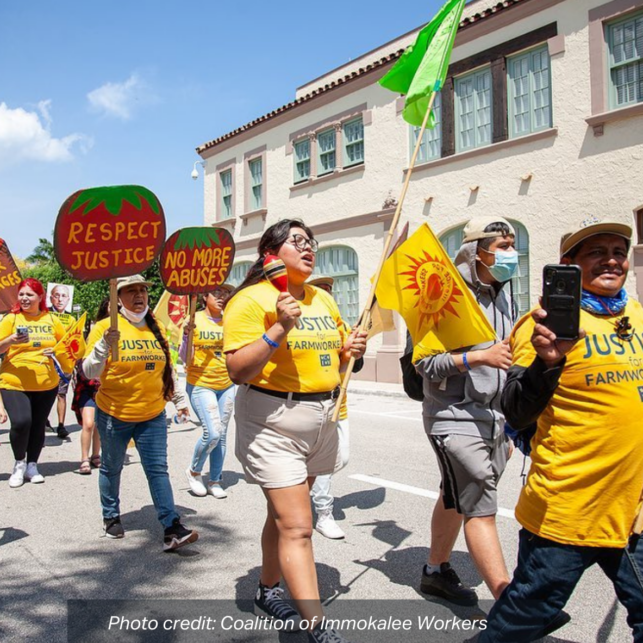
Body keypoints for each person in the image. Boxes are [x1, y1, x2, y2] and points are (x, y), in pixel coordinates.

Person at [480, 218, 643, 642]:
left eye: (618, 251)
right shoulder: (541, 327)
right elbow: (514, 411)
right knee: (519, 622)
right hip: (567, 511)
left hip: (632, 512)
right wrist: (547, 363)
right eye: (596, 252)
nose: (612, 259)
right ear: (568, 266)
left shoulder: (639, 316)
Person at [224, 219, 367, 643]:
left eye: (311, 242)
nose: (308, 248)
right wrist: (278, 328)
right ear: (271, 254)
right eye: (297, 241)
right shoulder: (251, 301)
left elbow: (337, 362)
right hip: (272, 422)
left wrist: (350, 353)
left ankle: (268, 591)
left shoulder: (322, 298)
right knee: (299, 525)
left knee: (283, 516)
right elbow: (236, 370)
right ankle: (317, 627)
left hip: (322, 418)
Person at [415, 217, 517, 606]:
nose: (510, 253)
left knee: (454, 493)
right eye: (502, 246)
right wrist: (478, 358)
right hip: (453, 415)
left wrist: (512, 422)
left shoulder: (504, 293)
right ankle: (509, 604)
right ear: (477, 252)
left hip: (495, 419)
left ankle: (434, 571)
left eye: (512, 245)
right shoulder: (442, 293)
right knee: (478, 498)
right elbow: (425, 364)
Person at [83, 275, 198, 551]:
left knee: (158, 470)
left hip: (152, 414)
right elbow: (89, 372)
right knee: (111, 468)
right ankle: (110, 516)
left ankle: (172, 526)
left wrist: (179, 399)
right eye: (131, 290)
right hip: (114, 414)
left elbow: (167, 368)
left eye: (143, 290)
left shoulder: (155, 325)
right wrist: (103, 346)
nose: (139, 295)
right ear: (117, 296)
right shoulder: (104, 327)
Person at [0, 278, 66, 487]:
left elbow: (68, 345)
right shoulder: (11, 319)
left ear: (40, 297)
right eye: (21, 294)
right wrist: (10, 340)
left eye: (29, 294)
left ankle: (32, 465)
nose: (24, 298)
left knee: (38, 425)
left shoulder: (52, 320)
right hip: (14, 381)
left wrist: (56, 351)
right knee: (21, 422)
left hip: (46, 383)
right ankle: (19, 463)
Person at [181, 284, 236, 499]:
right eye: (217, 293)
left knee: (221, 435)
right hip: (201, 383)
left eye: (225, 294)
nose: (222, 298)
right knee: (212, 432)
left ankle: (215, 479)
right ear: (205, 297)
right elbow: (184, 357)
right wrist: (187, 337)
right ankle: (194, 471)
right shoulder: (193, 320)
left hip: (227, 384)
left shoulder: (230, 321)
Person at [307, 275, 351, 540]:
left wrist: (356, 346)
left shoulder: (339, 324)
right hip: (315, 405)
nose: (327, 293)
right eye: (321, 289)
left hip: (339, 403)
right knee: (323, 463)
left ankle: (303, 484)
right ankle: (324, 514)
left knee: (341, 458)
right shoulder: (304, 323)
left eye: (330, 290)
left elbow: (351, 365)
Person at [73, 297, 109, 475]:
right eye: (113, 304)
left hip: (108, 388)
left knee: (99, 424)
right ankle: (84, 458)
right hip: (89, 386)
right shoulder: (97, 329)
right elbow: (86, 359)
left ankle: (96, 455)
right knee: (88, 423)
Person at [48, 284, 75, 439]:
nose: (59, 299)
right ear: (51, 298)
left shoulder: (71, 319)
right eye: (56, 295)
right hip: (47, 363)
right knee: (45, 395)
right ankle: (42, 419)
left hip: (63, 364)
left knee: (61, 394)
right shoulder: (45, 317)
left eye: (63, 296)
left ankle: (61, 425)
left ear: (68, 299)